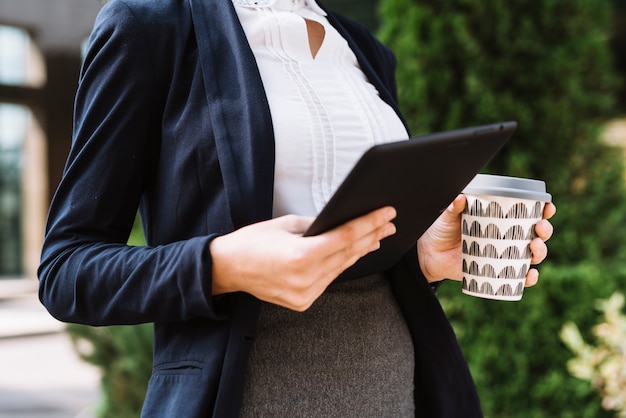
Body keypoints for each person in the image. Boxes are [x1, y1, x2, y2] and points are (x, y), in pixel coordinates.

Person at [37, 0, 556, 416]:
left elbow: (351, 243)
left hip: (398, 394)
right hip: (250, 398)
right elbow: (66, 270)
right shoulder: (148, 26)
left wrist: (421, 258)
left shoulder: (365, 49)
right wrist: (222, 263)